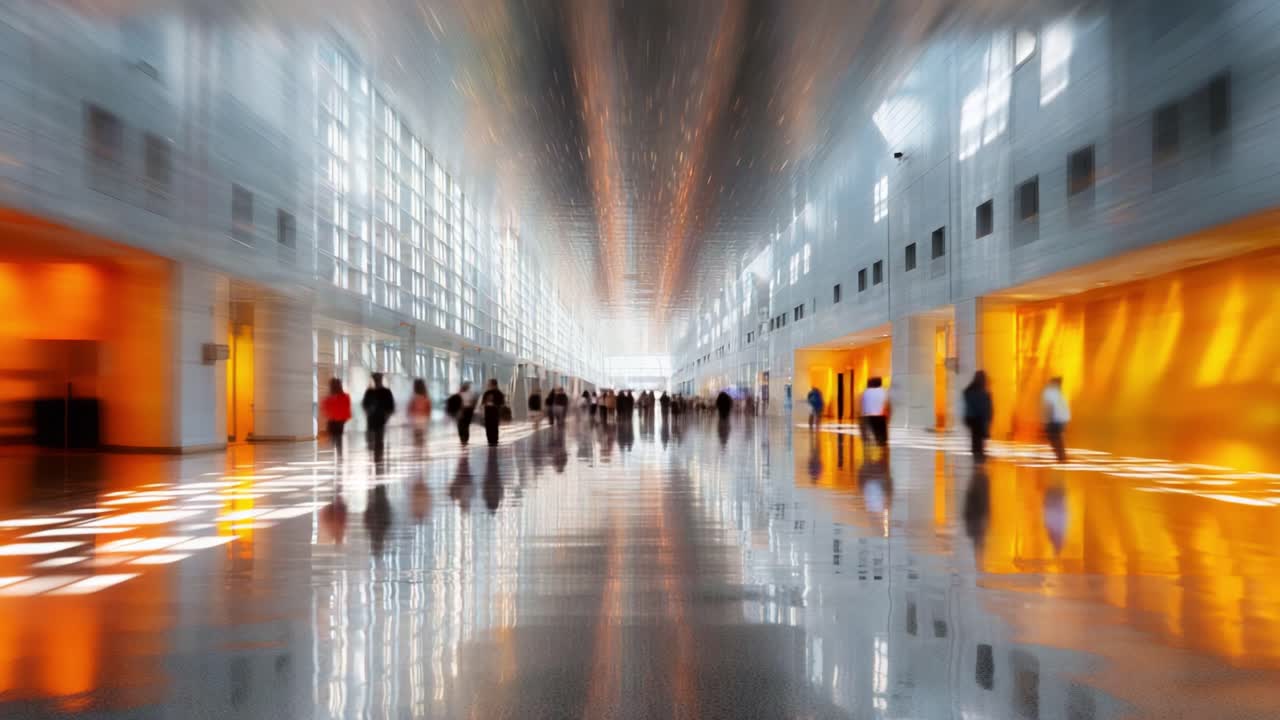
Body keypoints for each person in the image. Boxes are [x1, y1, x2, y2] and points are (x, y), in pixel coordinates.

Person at [361, 373, 395, 463]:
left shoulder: (383, 392)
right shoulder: (370, 392)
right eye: (376, 380)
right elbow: (364, 405)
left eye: (377, 379)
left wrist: (386, 416)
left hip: (379, 419)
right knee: (372, 440)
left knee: (378, 439)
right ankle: (376, 457)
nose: (377, 381)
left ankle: (378, 458)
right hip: (373, 419)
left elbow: (390, 407)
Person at [962, 371, 994, 463]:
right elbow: (985, 409)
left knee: (976, 438)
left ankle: (977, 458)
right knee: (979, 439)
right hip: (979, 419)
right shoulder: (983, 393)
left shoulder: (969, 391)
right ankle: (979, 460)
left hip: (971, 418)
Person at [1041, 376, 1070, 462]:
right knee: (1057, 438)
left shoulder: (1051, 393)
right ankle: (1061, 456)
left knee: (1054, 438)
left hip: (1054, 420)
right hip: (1059, 420)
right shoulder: (1058, 393)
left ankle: (1061, 456)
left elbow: (1049, 407)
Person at [321, 378, 352, 458]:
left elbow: (326, 408)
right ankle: (338, 454)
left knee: (336, 439)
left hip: (336, 421)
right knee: (336, 439)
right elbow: (326, 408)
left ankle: (337, 454)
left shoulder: (336, 397)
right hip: (337, 421)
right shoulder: (342, 396)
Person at [860, 377, 890, 448]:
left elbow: (862, 405)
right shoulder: (883, 391)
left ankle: (868, 453)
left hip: (867, 417)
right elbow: (887, 405)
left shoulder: (866, 392)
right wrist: (888, 416)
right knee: (882, 440)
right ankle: (882, 454)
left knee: (868, 440)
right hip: (880, 417)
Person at [409, 378, 432, 452]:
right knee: (422, 439)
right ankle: (421, 452)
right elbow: (428, 411)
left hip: (415, 421)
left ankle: (418, 453)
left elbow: (410, 410)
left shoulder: (413, 399)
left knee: (416, 439)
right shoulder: (426, 398)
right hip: (423, 421)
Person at [481, 379, 505, 447]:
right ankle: (490, 441)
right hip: (488, 413)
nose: (488, 385)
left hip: (495, 413)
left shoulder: (499, 393)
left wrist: (494, 404)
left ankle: (494, 441)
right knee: (488, 428)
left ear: (493, 384)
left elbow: (501, 403)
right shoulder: (486, 393)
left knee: (494, 427)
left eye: (489, 384)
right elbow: (483, 403)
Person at [455, 381, 477, 446]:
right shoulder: (460, 393)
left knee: (464, 425)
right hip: (463, 410)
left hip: (467, 411)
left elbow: (473, 402)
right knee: (462, 425)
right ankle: (463, 438)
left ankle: (464, 438)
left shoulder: (470, 394)